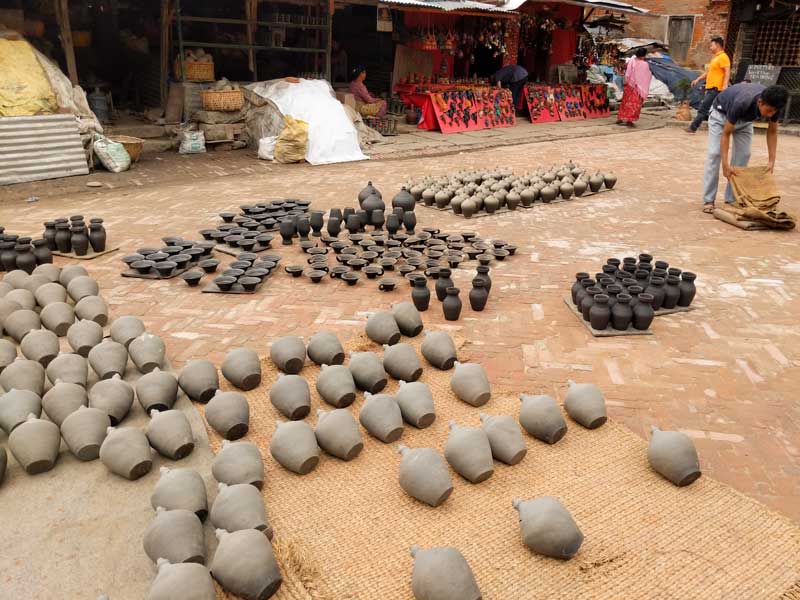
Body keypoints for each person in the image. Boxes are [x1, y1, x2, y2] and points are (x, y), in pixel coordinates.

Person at [701, 83, 789, 213]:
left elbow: (772, 132)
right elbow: (726, 134)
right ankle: (708, 199)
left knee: (744, 155)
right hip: (721, 116)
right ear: (760, 102)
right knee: (715, 153)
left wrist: (771, 161)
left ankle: (731, 199)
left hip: (745, 121)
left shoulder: (774, 105)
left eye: (774, 111)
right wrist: (725, 164)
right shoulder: (741, 102)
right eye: (769, 111)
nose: (771, 115)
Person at [687, 37, 731, 133]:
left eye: (711, 45)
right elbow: (708, 72)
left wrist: (725, 85)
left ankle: (693, 127)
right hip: (711, 87)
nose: (710, 48)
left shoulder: (723, 57)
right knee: (716, 108)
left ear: (717, 45)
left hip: (717, 88)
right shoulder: (715, 58)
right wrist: (698, 79)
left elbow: (727, 72)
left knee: (704, 108)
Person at [617, 48, 651, 127]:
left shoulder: (631, 60)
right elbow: (646, 76)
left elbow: (627, 70)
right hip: (637, 88)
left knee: (625, 102)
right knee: (634, 104)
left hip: (629, 85)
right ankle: (629, 121)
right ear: (644, 55)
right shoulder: (644, 64)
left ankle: (620, 118)